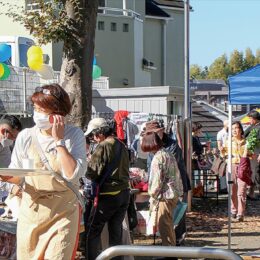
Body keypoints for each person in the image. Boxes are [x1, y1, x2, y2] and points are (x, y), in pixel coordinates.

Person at [0, 84, 87, 259]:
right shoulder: (26, 136)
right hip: (32, 209)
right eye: (35, 108)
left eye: (43, 110)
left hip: (63, 211)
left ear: (58, 114)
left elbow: (73, 174)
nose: (37, 114)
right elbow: (19, 177)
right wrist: (4, 175)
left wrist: (59, 141)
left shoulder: (75, 135)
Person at [85, 117, 130, 260]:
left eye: (93, 134)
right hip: (124, 193)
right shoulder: (121, 144)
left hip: (108, 195)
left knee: (93, 231)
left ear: (100, 132)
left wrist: (88, 162)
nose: (93, 138)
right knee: (116, 231)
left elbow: (92, 172)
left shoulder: (104, 146)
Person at [141, 131, 183, 248]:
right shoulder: (167, 153)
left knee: (165, 226)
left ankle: (169, 253)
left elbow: (156, 182)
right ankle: (170, 251)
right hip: (173, 193)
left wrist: (151, 194)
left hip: (165, 196)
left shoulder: (158, 158)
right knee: (168, 225)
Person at [222, 121, 247, 221]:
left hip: (243, 167)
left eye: (236, 128)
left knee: (242, 190)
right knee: (232, 190)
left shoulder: (246, 142)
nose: (234, 130)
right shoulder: (228, 141)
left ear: (240, 129)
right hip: (231, 166)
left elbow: (250, 154)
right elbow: (223, 154)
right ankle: (233, 210)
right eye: (232, 129)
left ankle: (240, 213)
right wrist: (222, 152)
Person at [0, 115, 22, 202]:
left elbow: (7, 168)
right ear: (3, 131)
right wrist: (11, 187)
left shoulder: (4, 144)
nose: (13, 140)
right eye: (13, 136)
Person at [244, 110, 260, 200]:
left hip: (258, 154)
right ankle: (251, 193)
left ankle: (252, 192)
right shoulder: (252, 126)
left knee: (256, 173)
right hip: (251, 154)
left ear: (255, 119)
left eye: (250, 118)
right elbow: (244, 135)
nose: (249, 120)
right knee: (254, 172)